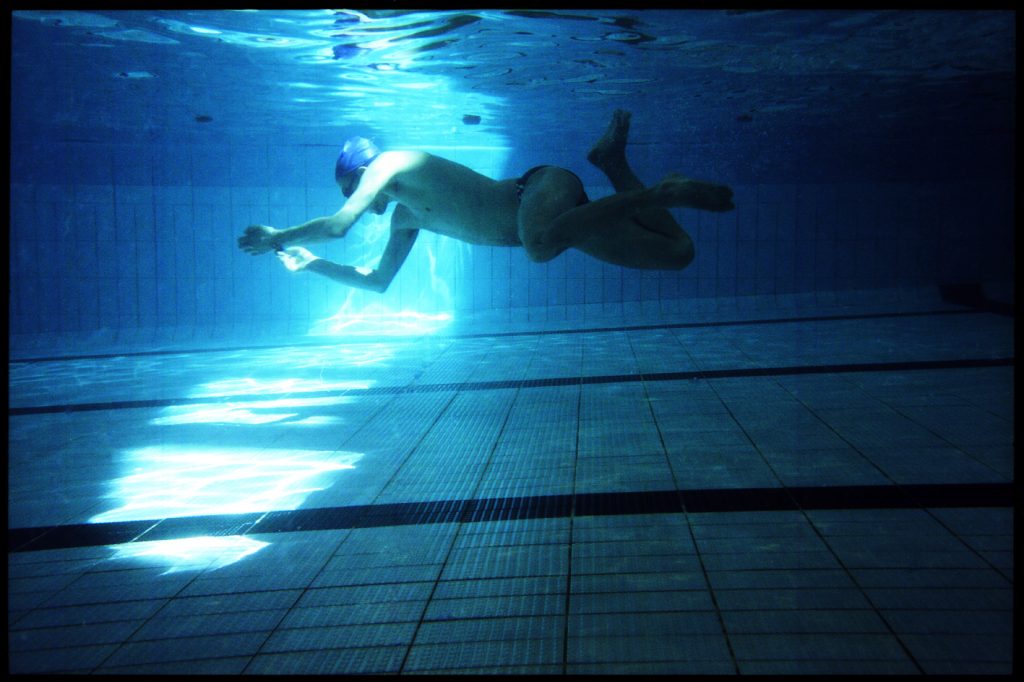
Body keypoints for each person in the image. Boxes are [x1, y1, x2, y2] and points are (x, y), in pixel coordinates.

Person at [238, 110, 734, 293]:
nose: (365, 203)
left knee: (538, 245)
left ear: (361, 175)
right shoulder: (406, 217)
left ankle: (662, 192)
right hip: (554, 219)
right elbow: (378, 282)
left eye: (354, 192)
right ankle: (614, 163)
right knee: (677, 252)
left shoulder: (391, 162)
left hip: (538, 189)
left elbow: (339, 225)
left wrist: (278, 237)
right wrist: (309, 265)